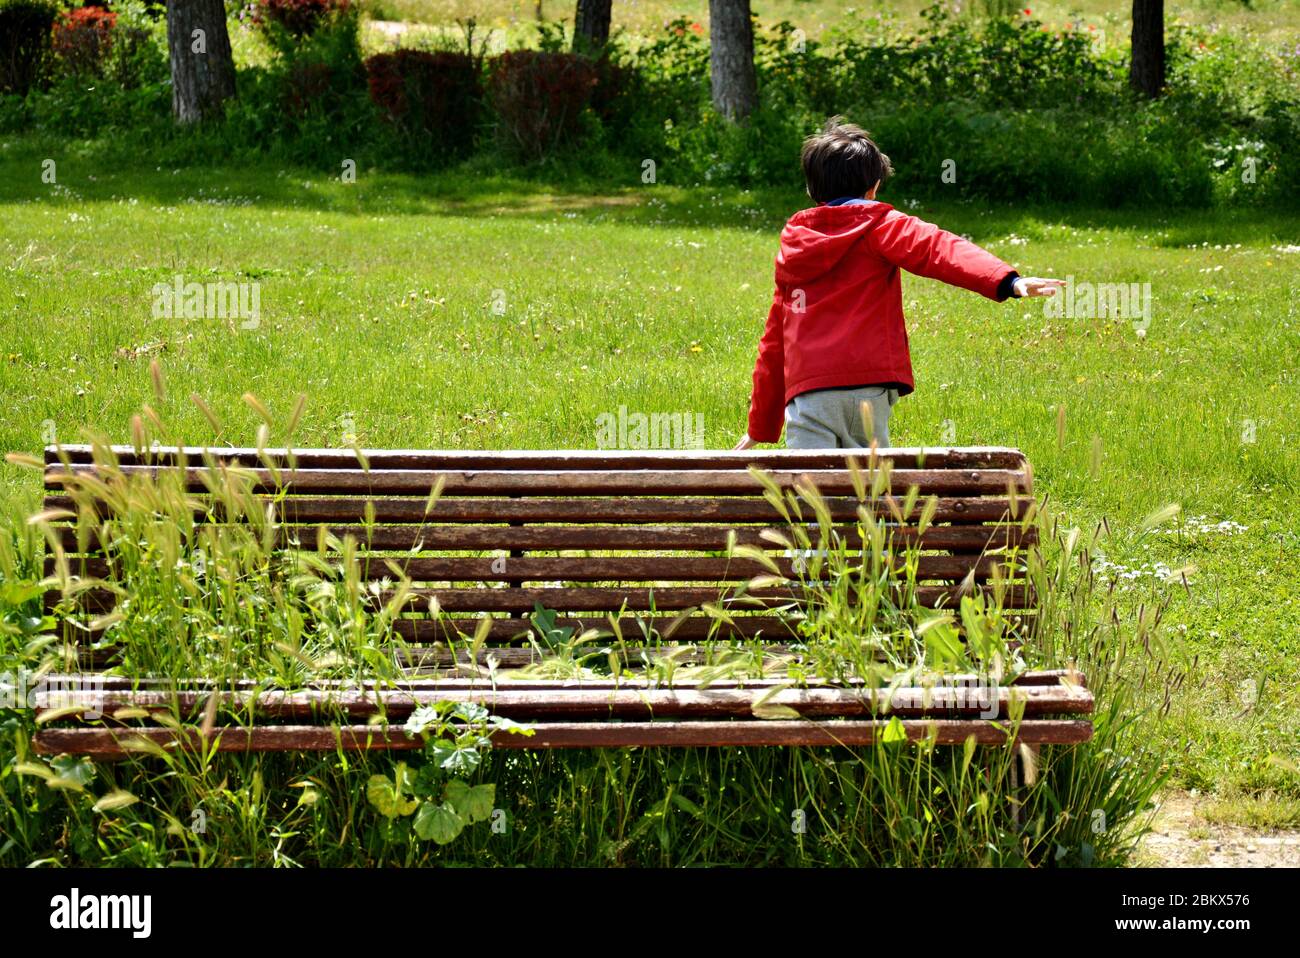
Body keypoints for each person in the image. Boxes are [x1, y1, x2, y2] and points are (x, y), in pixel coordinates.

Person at [734, 118, 1064, 450]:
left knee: (809, 493)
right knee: (871, 490)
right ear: (874, 187)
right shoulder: (880, 224)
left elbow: (774, 342)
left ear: (811, 189)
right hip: (869, 388)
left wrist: (760, 426)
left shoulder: (796, 246)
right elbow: (939, 249)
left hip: (809, 393)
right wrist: (1008, 280)